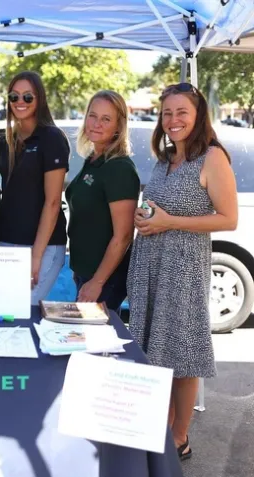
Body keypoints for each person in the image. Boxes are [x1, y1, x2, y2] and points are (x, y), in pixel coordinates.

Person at [128, 83, 238, 460]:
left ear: (198, 116)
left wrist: (168, 221)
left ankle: (180, 436)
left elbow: (228, 219)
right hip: (150, 267)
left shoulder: (212, 158)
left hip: (184, 268)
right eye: (167, 113)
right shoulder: (165, 159)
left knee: (183, 354)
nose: (173, 120)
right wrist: (145, 218)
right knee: (155, 350)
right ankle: (157, 427)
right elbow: (157, 209)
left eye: (181, 113)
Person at [0, 71, 70, 304]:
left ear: (40, 99)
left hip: (43, 246)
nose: (20, 102)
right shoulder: (4, 142)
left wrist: (36, 257)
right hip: (7, 242)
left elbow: (53, 202)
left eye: (28, 97)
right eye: (14, 96)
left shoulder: (52, 138)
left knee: (21, 310)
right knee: (3, 312)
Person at [65, 91, 140, 314]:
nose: (96, 124)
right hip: (87, 272)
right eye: (92, 116)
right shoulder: (94, 159)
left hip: (104, 279)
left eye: (106, 119)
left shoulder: (119, 168)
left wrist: (97, 282)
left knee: (96, 345)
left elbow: (124, 235)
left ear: (118, 126)